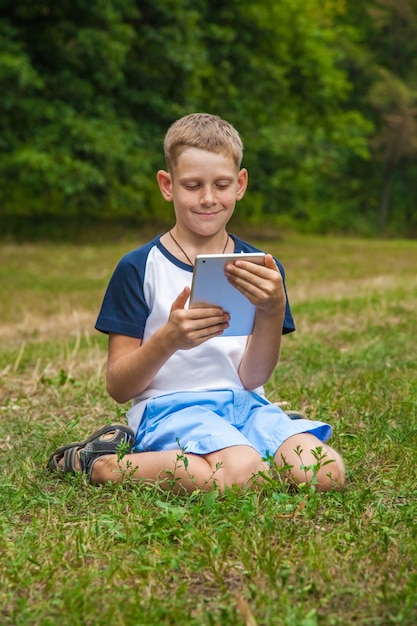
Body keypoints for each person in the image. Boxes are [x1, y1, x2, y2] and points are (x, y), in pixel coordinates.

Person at [48, 113, 345, 493]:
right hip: (171, 410)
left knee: (325, 471)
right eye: (192, 185)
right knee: (247, 475)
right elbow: (119, 386)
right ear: (167, 185)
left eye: (221, 184)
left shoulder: (262, 268)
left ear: (240, 184)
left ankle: (251, 439)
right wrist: (168, 338)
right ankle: (101, 463)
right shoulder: (139, 267)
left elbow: (254, 378)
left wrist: (271, 309)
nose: (208, 198)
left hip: (246, 405)